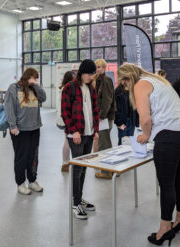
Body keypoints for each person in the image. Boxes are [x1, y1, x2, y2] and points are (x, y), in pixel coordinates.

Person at [118, 64, 180, 245]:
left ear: (127, 78)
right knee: (177, 179)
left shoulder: (140, 85)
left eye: (123, 82)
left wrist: (145, 135)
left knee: (166, 185)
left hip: (169, 136)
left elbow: (145, 119)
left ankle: (164, 229)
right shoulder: (158, 80)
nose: (123, 86)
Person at [61, 59, 99, 220]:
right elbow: (65, 112)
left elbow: (95, 110)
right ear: (82, 72)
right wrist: (74, 131)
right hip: (75, 134)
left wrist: (95, 130)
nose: (91, 77)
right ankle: (75, 203)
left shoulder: (91, 89)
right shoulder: (69, 87)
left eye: (92, 74)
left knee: (83, 168)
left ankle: (79, 198)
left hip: (89, 134)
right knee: (76, 170)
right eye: (89, 74)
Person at [4, 68, 46, 195]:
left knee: (33, 156)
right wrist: (12, 126)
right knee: (21, 157)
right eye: (33, 77)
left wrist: (36, 85)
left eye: (36, 78)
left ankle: (32, 181)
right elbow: (8, 107)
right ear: (27, 76)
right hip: (20, 130)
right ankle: (20, 183)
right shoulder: (14, 88)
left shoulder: (34, 88)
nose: (35, 79)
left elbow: (43, 98)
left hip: (35, 128)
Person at [94, 59, 116, 179]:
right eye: (96, 67)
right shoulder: (98, 80)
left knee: (104, 144)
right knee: (106, 142)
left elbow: (107, 100)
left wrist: (101, 116)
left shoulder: (106, 81)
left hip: (105, 118)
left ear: (104, 68)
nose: (97, 69)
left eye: (99, 67)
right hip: (103, 117)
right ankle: (110, 169)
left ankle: (106, 172)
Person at [56, 71, 74, 172]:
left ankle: (66, 162)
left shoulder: (62, 88)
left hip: (62, 118)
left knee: (67, 140)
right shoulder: (67, 89)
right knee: (67, 140)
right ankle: (65, 163)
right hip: (65, 119)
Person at [114, 78, 139, 145]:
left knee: (130, 141)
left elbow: (135, 107)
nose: (126, 82)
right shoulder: (118, 92)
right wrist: (119, 123)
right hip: (123, 121)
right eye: (125, 79)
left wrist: (136, 121)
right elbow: (116, 109)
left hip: (131, 120)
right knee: (122, 141)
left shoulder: (132, 90)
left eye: (128, 80)